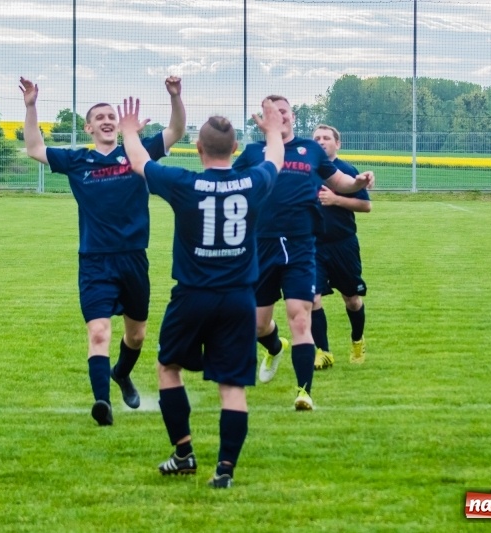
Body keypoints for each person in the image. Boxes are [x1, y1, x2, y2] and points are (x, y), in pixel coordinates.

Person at [117, 95, 284, 488]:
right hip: (240, 299)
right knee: (232, 386)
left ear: (198, 148)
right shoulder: (255, 180)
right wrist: (274, 130)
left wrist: (128, 131)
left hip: (192, 296)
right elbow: (274, 158)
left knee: (167, 367)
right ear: (237, 149)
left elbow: (141, 162)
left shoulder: (184, 183)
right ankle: (224, 471)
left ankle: (184, 452)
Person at [19, 76, 185, 426]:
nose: (108, 120)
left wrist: (175, 97)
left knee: (135, 335)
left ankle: (121, 374)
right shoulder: (78, 160)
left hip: (133, 259)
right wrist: (31, 106)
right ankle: (102, 404)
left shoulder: (136, 153)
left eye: (112, 116)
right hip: (94, 261)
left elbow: (175, 130)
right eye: (101, 117)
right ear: (89, 126)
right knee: (98, 332)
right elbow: (34, 148)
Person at [232, 96, 374, 410]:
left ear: (292, 116)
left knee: (300, 318)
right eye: (272, 111)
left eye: (283, 110)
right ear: (264, 117)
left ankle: (304, 392)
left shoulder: (310, 151)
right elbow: (231, 182)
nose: (278, 115)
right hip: (263, 246)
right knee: (258, 325)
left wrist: (359, 181)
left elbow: (340, 181)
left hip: (301, 246)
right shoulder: (254, 152)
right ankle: (273, 346)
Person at [310, 124, 372, 368]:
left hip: (343, 245)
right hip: (313, 246)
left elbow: (366, 206)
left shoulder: (347, 171)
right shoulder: (306, 171)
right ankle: (323, 352)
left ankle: (357, 339)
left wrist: (336, 199)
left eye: (327, 138)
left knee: (352, 300)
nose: (321, 141)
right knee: (312, 298)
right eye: (317, 138)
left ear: (338, 143)